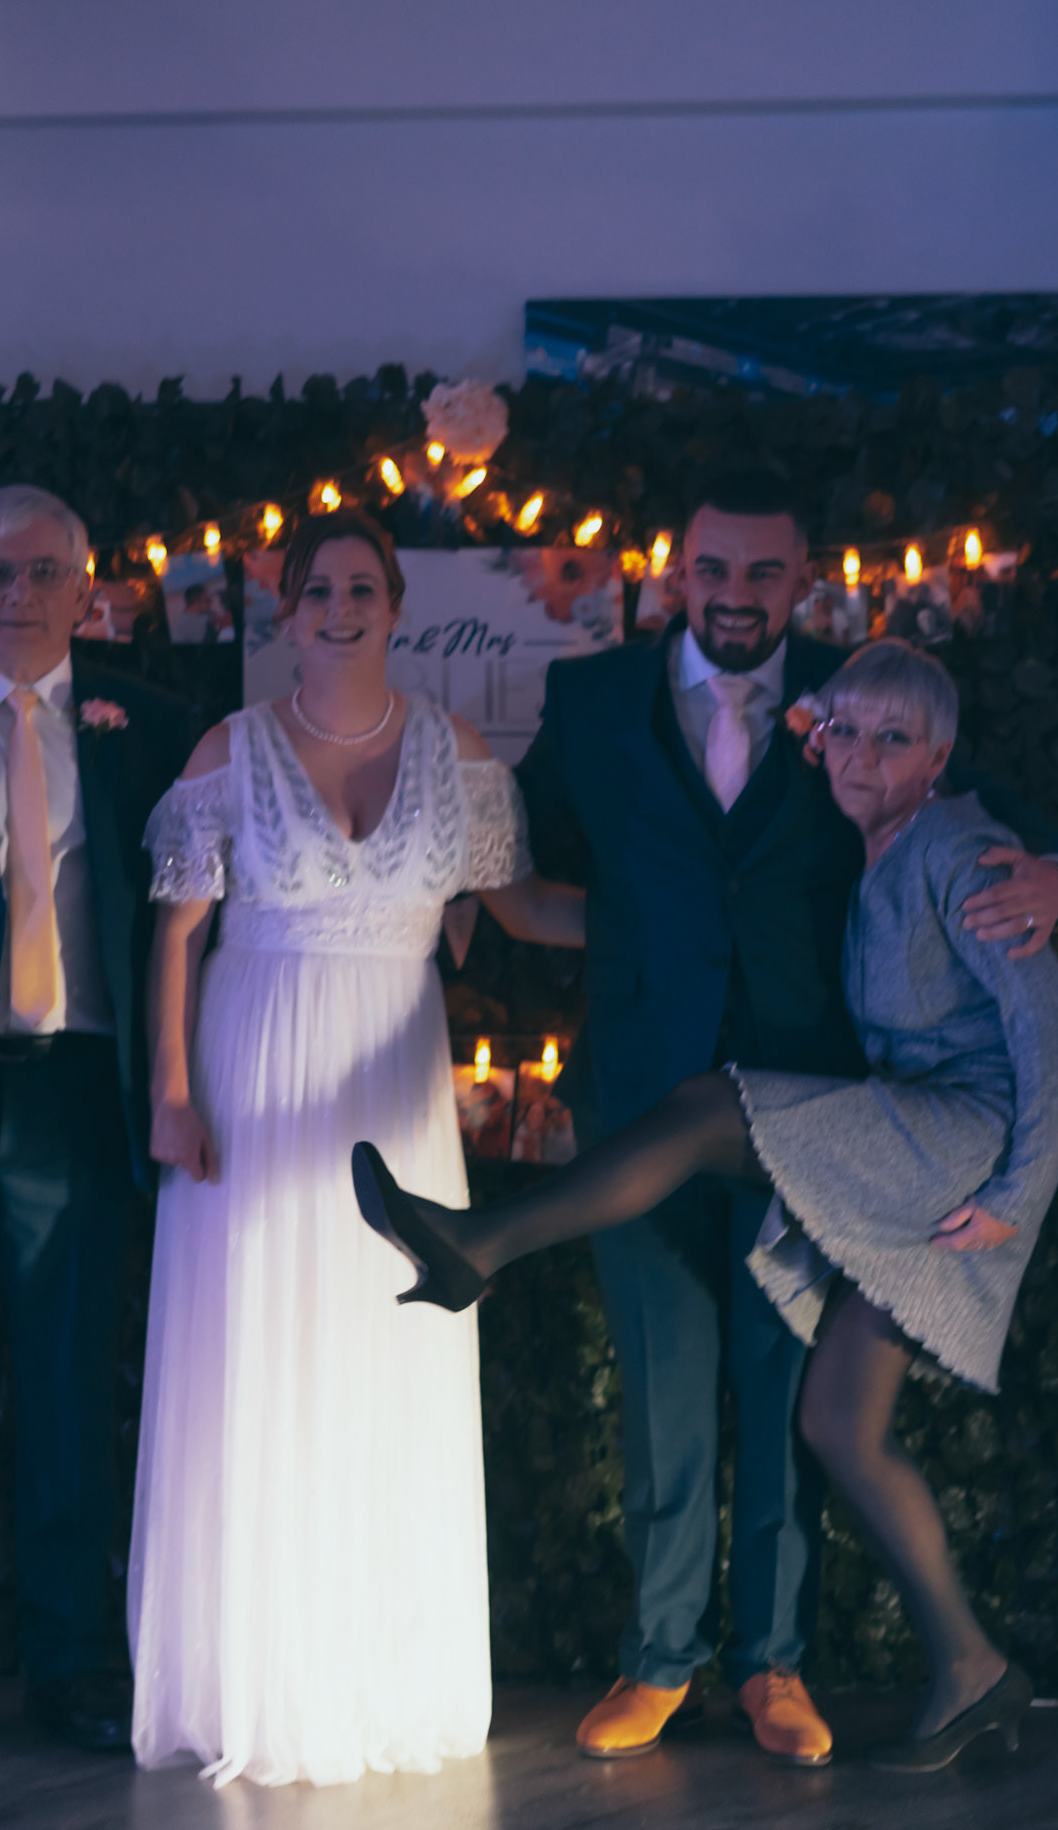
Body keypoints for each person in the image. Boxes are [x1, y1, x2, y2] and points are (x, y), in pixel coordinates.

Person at [353, 640, 1058, 1772]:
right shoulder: (871, 833)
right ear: (818, 737)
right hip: (902, 1136)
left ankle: (478, 1243)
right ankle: (974, 1670)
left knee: (704, 1109)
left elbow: (1044, 1034)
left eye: (896, 740)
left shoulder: (962, 848)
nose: (865, 756)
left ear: (938, 756)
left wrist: (1018, 1193)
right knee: (839, 1423)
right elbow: (563, 861)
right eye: (848, 734)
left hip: (945, 1142)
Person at [129, 508, 583, 1788]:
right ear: (286, 613)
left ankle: (385, 1668)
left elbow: (521, 906)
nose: (339, 608)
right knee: (262, 1346)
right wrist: (172, 1093)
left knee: (389, 1337)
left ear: (395, 605)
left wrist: (675, 920)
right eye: (316, 589)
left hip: (395, 1073)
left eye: (361, 587)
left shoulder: (456, 745)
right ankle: (262, 1674)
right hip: (258, 1068)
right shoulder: (230, 748)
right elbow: (176, 934)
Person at [0, 485, 193, 1752]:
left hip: (82, 1087)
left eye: (41, 572)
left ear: (86, 590)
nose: (18, 594)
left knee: (73, 1387)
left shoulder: (156, 726)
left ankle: (73, 1660)